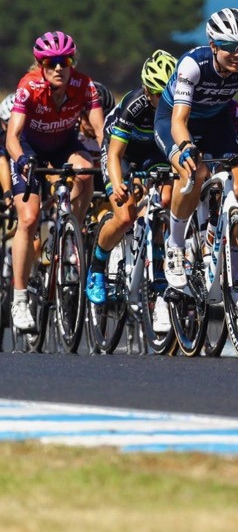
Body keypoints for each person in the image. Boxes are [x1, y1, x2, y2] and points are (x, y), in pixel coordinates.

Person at [156, 9, 238, 310]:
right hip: (175, 120)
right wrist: (186, 146)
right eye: (229, 47)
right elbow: (178, 119)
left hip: (216, 121)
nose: (237, 54)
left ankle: (235, 278)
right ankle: (174, 247)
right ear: (213, 45)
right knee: (193, 174)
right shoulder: (192, 65)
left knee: (237, 190)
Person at [6, 31, 105, 332]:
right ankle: (19, 299)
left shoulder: (85, 85)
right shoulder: (29, 87)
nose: (59, 68)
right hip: (30, 149)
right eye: (51, 62)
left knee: (86, 170)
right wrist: (22, 161)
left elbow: (101, 131)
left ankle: (71, 234)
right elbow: (11, 136)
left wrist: (112, 163)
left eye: (66, 61)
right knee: (29, 218)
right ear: (41, 64)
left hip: (64, 145)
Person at [87, 51, 177, 325]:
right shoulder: (134, 105)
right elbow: (114, 155)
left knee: (167, 201)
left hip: (155, 153)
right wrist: (116, 185)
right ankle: (98, 266)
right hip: (121, 153)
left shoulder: (180, 103)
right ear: (147, 90)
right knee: (124, 215)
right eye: (156, 93)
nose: (163, 100)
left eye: (168, 93)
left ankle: (159, 270)